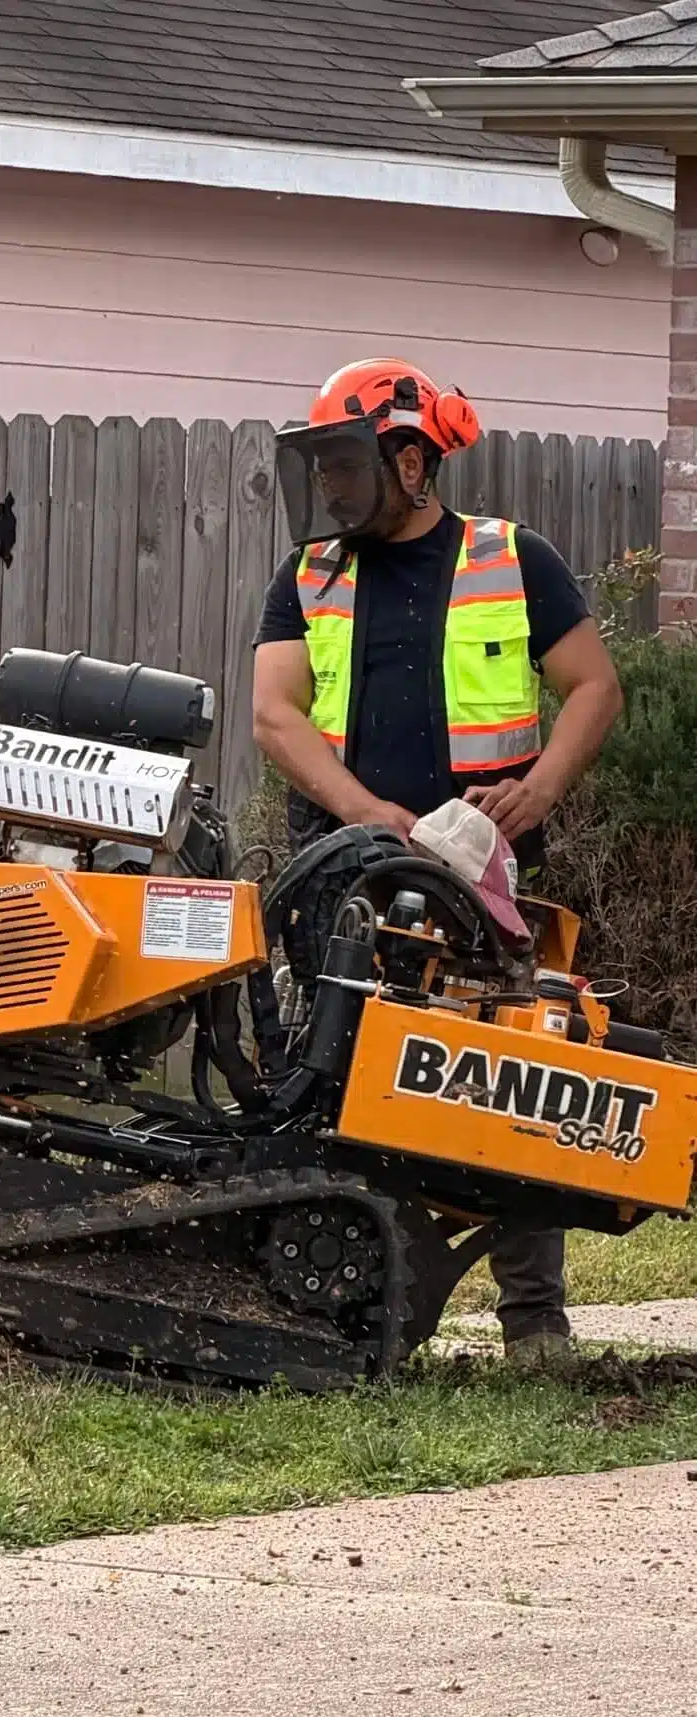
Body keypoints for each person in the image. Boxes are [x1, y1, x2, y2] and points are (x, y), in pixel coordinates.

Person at [252, 357, 624, 1367]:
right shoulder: (310, 574)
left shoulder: (514, 558)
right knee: (323, 1072)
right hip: (343, 872)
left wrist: (538, 789)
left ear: (411, 459)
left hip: (490, 873)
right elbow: (274, 714)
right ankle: (328, 1301)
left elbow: (592, 686)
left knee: (507, 1077)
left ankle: (534, 1319)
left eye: (344, 461)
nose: (328, 482)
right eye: (320, 463)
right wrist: (370, 813)